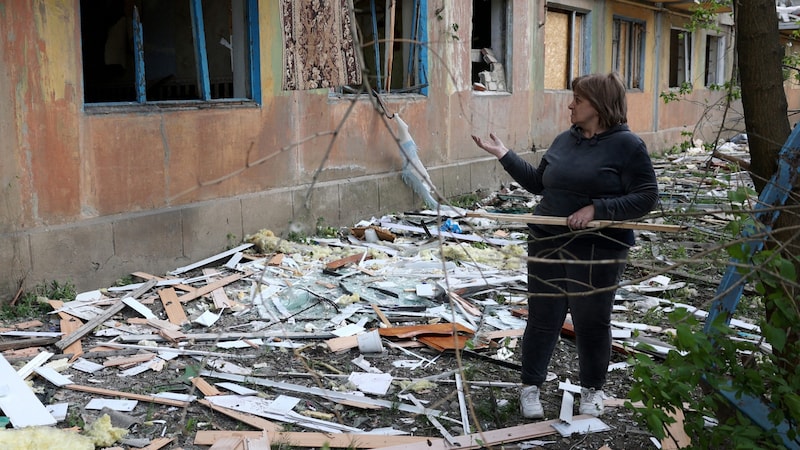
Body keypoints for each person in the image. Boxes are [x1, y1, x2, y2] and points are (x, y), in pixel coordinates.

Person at [471, 72, 658, 419]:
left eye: (579, 100)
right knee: (543, 317)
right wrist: (504, 154)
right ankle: (530, 388)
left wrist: (597, 209)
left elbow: (647, 197)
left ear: (599, 106)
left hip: (597, 248)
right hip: (547, 240)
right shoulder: (563, 140)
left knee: (591, 321)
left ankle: (591, 391)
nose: (570, 104)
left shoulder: (628, 146)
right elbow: (539, 184)